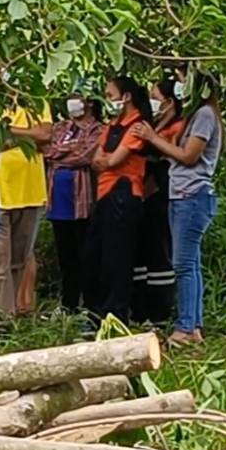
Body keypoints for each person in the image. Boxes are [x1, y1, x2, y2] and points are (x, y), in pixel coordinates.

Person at [139, 74, 223, 348]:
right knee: (191, 264)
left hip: (193, 196)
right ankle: (193, 325)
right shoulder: (193, 114)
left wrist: (152, 136)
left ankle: (186, 326)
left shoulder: (205, 115)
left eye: (183, 78)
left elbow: (189, 155)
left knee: (183, 264)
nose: (178, 82)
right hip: (182, 194)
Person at [84, 76, 150, 326]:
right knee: (96, 254)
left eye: (110, 94)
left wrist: (107, 161)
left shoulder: (137, 126)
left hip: (124, 193)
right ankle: (96, 313)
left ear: (127, 96)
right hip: (103, 193)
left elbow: (112, 161)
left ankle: (117, 313)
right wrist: (106, 161)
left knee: (118, 257)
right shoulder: (112, 124)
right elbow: (97, 159)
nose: (107, 99)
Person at [0, 101, 53, 317]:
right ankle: (1, 317)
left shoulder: (36, 99)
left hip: (31, 192)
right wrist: (29, 136)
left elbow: (45, 135)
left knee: (19, 259)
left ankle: (12, 312)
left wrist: (8, 131)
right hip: (0, 191)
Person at [41, 91, 104, 312]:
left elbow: (85, 155)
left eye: (77, 97)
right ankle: (68, 304)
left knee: (85, 255)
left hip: (82, 202)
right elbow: (46, 151)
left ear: (88, 102)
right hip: (57, 202)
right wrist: (65, 151)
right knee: (65, 257)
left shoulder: (98, 129)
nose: (72, 102)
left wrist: (60, 154)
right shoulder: (60, 127)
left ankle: (89, 304)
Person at [132, 77, 182, 325]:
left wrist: (152, 138)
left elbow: (171, 154)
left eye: (156, 96)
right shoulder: (154, 124)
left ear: (170, 101)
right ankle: (141, 311)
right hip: (143, 194)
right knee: (142, 254)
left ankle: (161, 313)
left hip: (163, 194)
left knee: (160, 253)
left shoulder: (178, 125)